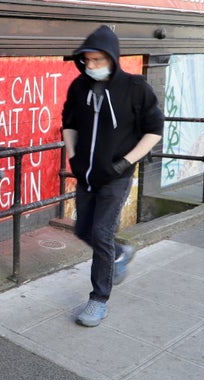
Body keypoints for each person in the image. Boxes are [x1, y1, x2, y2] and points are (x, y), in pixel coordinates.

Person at [62, 25, 165, 327]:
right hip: (86, 175)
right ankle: (121, 253)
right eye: (88, 60)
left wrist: (124, 163)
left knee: (102, 234)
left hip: (116, 177)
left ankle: (98, 300)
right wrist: (72, 156)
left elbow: (154, 130)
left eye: (98, 60)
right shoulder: (79, 87)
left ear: (113, 58)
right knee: (83, 230)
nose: (91, 66)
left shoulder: (136, 88)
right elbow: (68, 123)